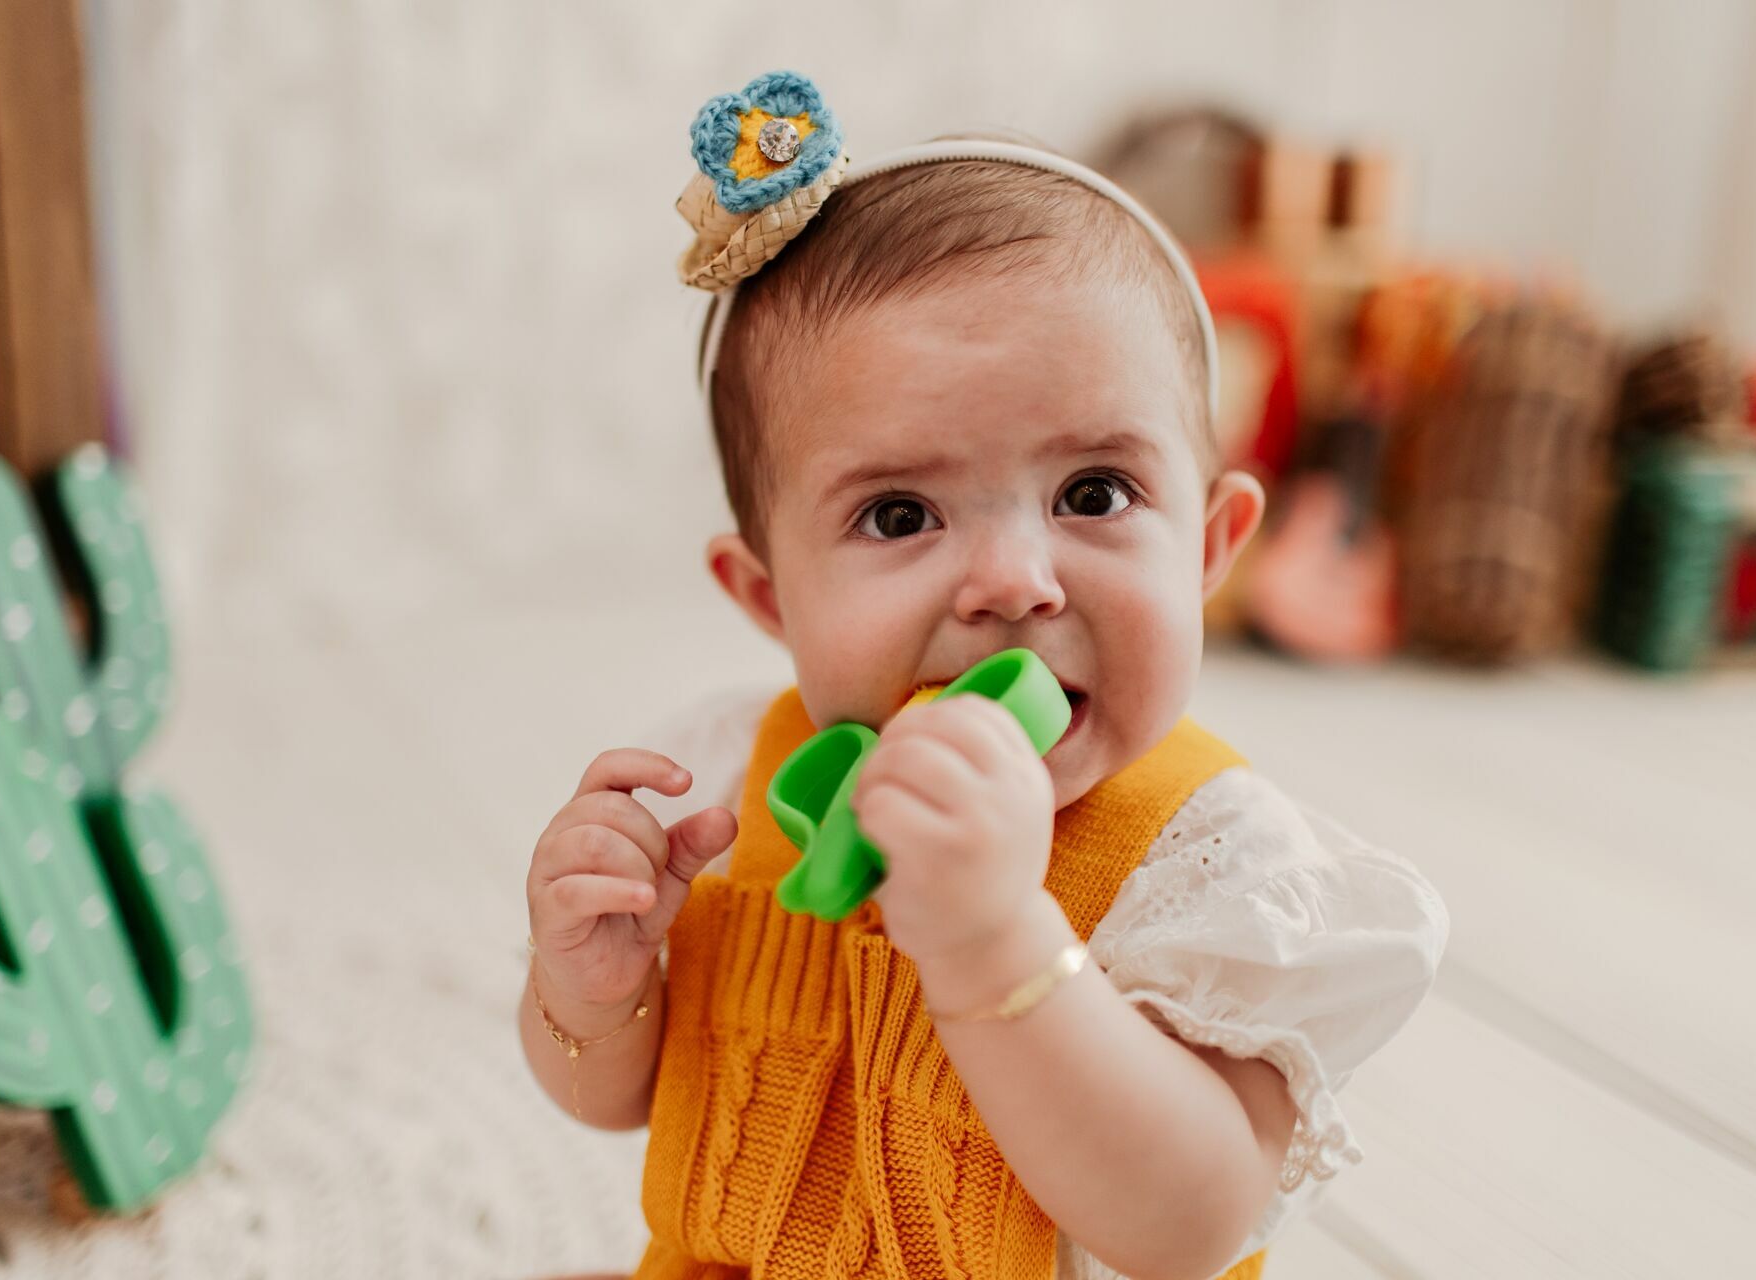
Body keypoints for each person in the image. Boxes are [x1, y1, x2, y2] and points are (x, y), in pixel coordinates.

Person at [519, 70, 1448, 1280]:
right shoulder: (728, 790)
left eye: (1095, 494)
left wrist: (998, 941)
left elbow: (1189, 1223)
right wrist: (592, 992)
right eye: (900, 513)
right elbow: (617, 1101)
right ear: (769, 596)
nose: (1013, 579)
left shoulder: (1211, 866)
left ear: (1212, 549)